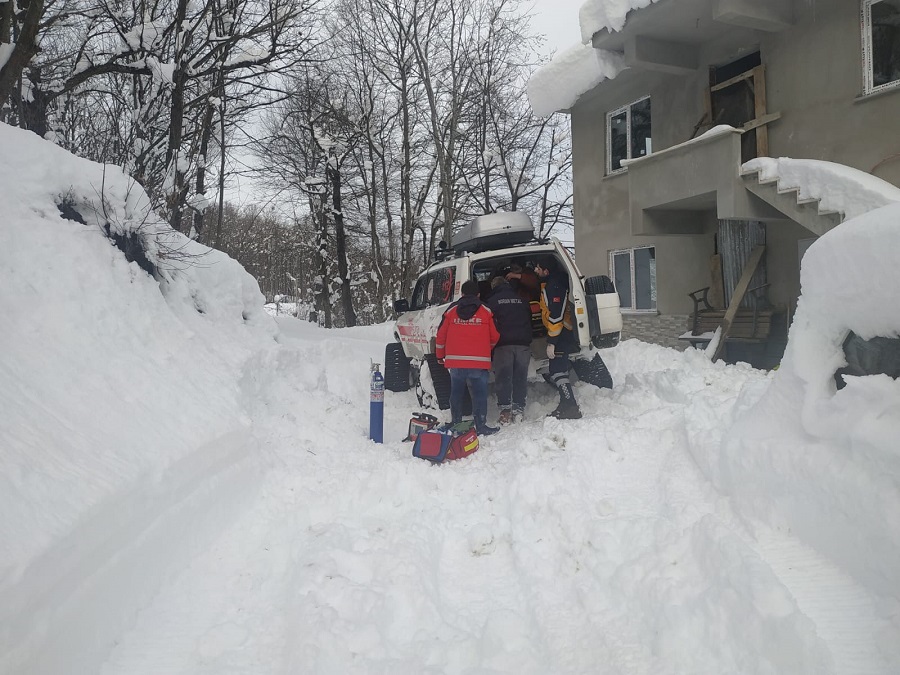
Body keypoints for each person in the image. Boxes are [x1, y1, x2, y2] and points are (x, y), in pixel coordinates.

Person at [436, 280, 501, 435]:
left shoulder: (451, 311)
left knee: (456, 394)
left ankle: (456, 423)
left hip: (456, 363)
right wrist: (486, 349)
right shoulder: (486, 310)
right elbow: (495, 336)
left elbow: (440, 336)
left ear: (462, 294)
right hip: (479, 363)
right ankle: (481, 426)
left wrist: (440, 356)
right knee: (480, 395)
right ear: (478, 294)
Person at [534, 256, 582, 419]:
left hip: (562, 334)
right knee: (557, 369)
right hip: (561, 333)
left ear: (546, 270)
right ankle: (566, 403)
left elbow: (556, 315)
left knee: (558, 369)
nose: (536, 270)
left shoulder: (554, 286)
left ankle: (570, 405)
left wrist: (552, 342)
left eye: (538, 268)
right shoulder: (552, 283)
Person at [486, 275, 534, 424]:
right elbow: (529, 318)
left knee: (503, 377)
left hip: (503, 344)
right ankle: (519, 409)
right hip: (523, 344)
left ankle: (505, 411)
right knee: (520, 377)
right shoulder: (522, 300)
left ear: (494, 287)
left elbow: (489, 323)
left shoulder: (491, 302)